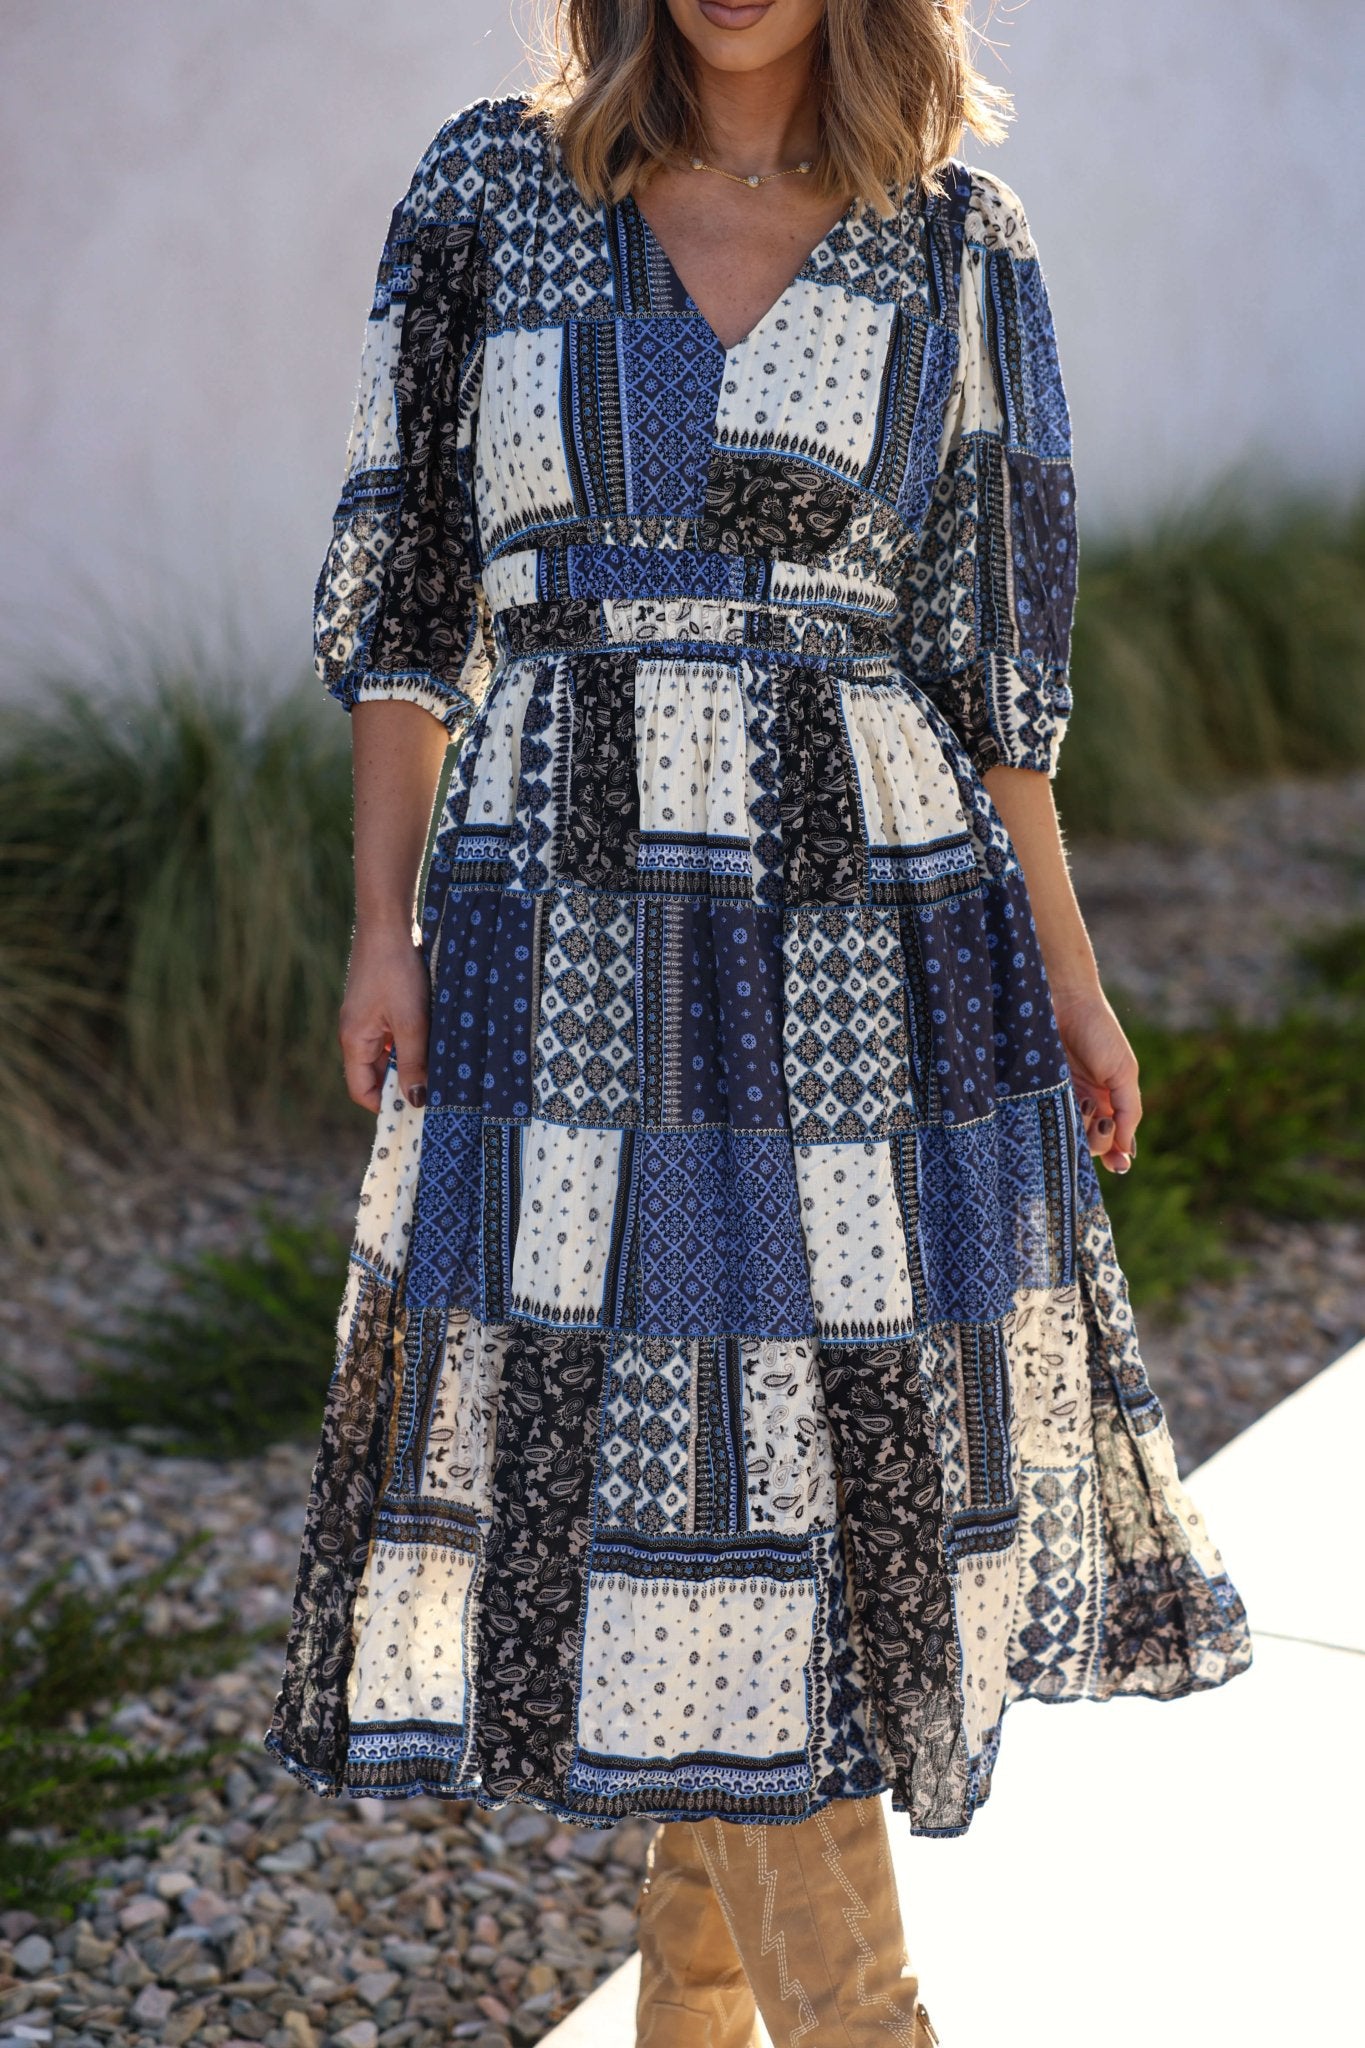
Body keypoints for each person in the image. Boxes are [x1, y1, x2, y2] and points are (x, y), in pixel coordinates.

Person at [266, 3, 1253, 2039]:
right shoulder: (489, 190)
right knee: (685, 1514)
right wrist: (379, 924)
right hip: (565, 928)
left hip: (866, 938)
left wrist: (1068, 978)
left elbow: (988, 662)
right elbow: (410, 589)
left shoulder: (952, 235)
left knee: (787, 1512)